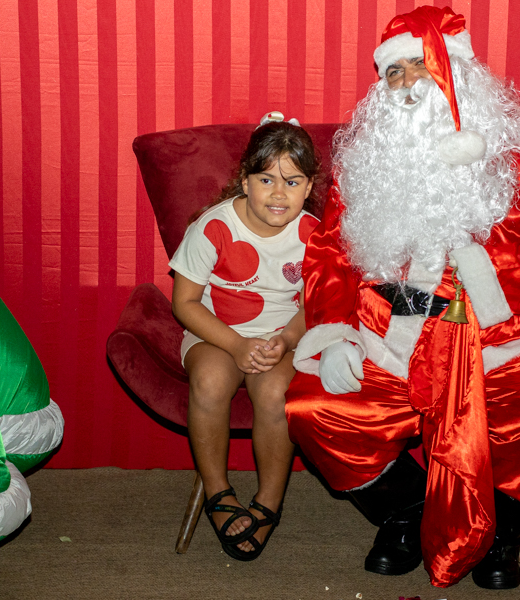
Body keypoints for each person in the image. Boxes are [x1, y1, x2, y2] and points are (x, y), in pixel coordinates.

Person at [286, 6, 520, 589]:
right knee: (315, 409)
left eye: (422, 65)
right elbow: (331, 249)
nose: (408, 83)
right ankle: (406, 513)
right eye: (394, 72)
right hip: (393, 333)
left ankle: (503, 530)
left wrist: (497, 272)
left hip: (505, 332)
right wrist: (334, 331)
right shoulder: (370, 152)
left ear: (458, 68)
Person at [169, 112, 320, 561]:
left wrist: (287, 339)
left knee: (276, 393)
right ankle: (218, 492)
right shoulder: (213, 227)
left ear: (309, 187)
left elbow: (315, 305)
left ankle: (269, 500)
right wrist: (236, 345)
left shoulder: (314, 234)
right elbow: (185, 303)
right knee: (211, 380)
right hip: (215, 333)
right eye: (266, 179)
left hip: (281, 336)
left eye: (292, 182)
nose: (279, 193)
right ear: (245, 180)